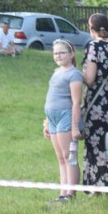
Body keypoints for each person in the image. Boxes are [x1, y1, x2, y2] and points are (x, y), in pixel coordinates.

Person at [81, 13, 108, 189]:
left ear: (92, 29)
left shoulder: (93, 46)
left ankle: (96, 183)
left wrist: (77, 75)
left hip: (96, 102)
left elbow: (89, 79)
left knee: (94, 144)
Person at [41, 39, 83, 202]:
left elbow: (76, 102)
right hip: (52, 118)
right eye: (55, 53)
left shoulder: (74, 75)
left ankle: (70, 195)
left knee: (69, 156)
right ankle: (62, 193)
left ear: (71, 54)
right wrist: (46, 122)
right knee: (60, 157)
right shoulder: (57, 72)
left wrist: (74, 127)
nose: (58, 56)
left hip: (66, 116)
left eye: (62, 53)